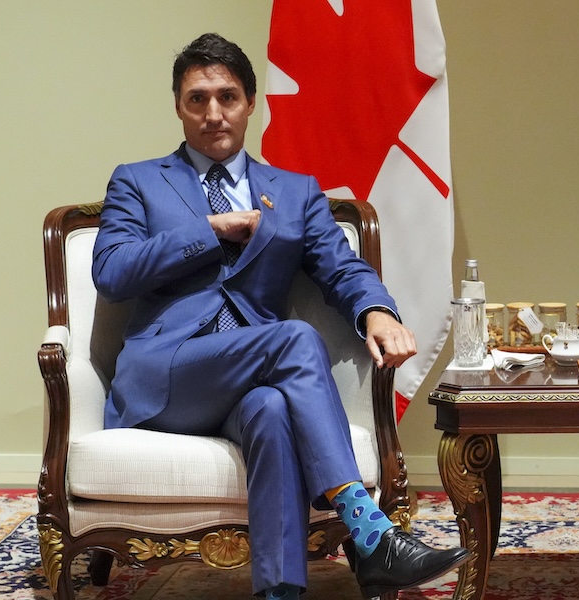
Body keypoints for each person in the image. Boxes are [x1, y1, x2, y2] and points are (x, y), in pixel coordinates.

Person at [92, 33, 471, 599]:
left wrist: (376, 311)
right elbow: (112, 271)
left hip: (248, 380)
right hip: (167, 375)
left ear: (251, 104)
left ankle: (280, 592)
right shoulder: (139, 181)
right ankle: (368, 534)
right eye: (197, 99)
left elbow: (343, 268)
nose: (213, 113)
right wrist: (210, 230)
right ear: (178, 106)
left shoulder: (296, 193)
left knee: (271, 409)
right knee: (292, 339)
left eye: (227, 96)